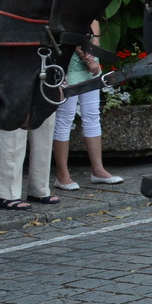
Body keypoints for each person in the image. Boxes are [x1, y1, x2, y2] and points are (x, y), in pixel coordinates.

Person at [51, 23, 124, 190]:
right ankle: (62, 176)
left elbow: (94, 19)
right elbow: (66, 27)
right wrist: (89, 55)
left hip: (88, 54)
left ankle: (98, 170)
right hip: (69, 61)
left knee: (91, 115)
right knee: (65, 119)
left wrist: (94, 47)